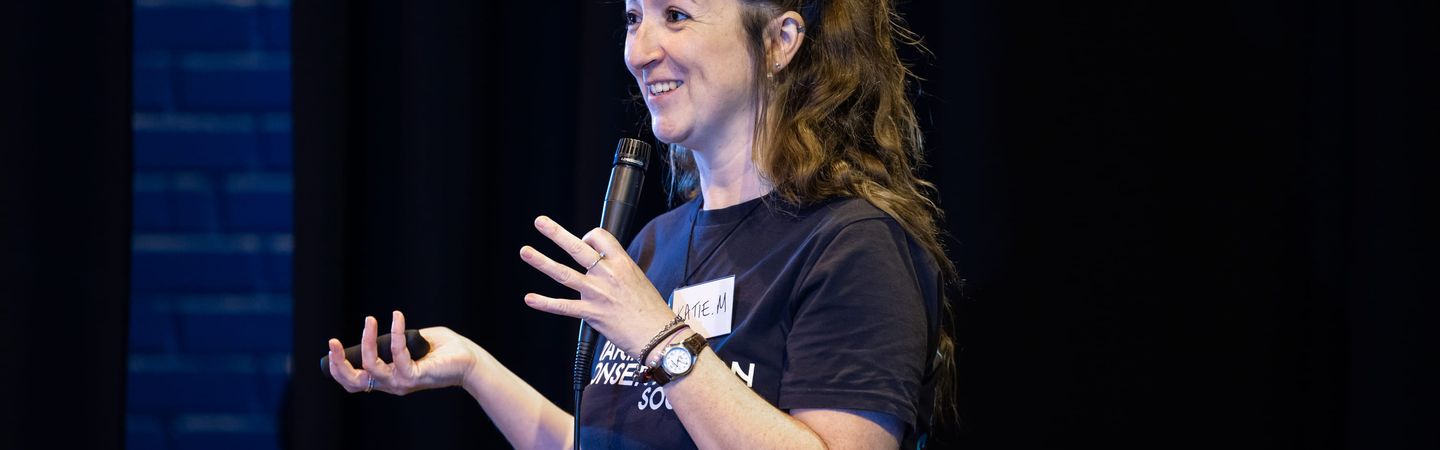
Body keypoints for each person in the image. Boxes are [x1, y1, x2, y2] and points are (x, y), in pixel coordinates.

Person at [324, 0, 958, 448]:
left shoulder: (854, 246)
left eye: (674, 16)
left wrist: (663, 340)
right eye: (633, 19)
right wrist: (471, 368)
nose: (639, 51)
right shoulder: (656, 243)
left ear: (779, 40)